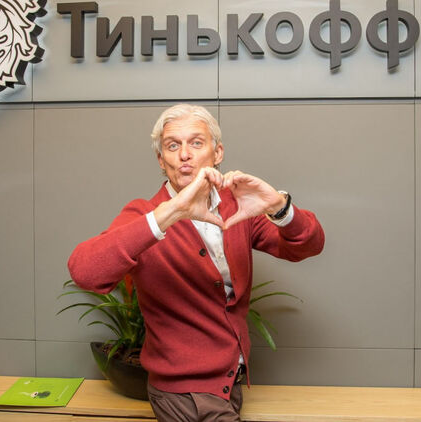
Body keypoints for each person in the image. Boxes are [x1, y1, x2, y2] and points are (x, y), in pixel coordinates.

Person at [68, 104, 325, 421]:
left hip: (229, 386)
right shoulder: (145, 214)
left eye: (196, 143)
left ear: (218, 153)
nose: (185, 155)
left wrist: (278, 206)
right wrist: (170, 213)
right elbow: (85, 272)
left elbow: (308, 246)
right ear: (161, 160)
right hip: (184, 395)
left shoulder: (237, 207)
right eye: (172, 146)